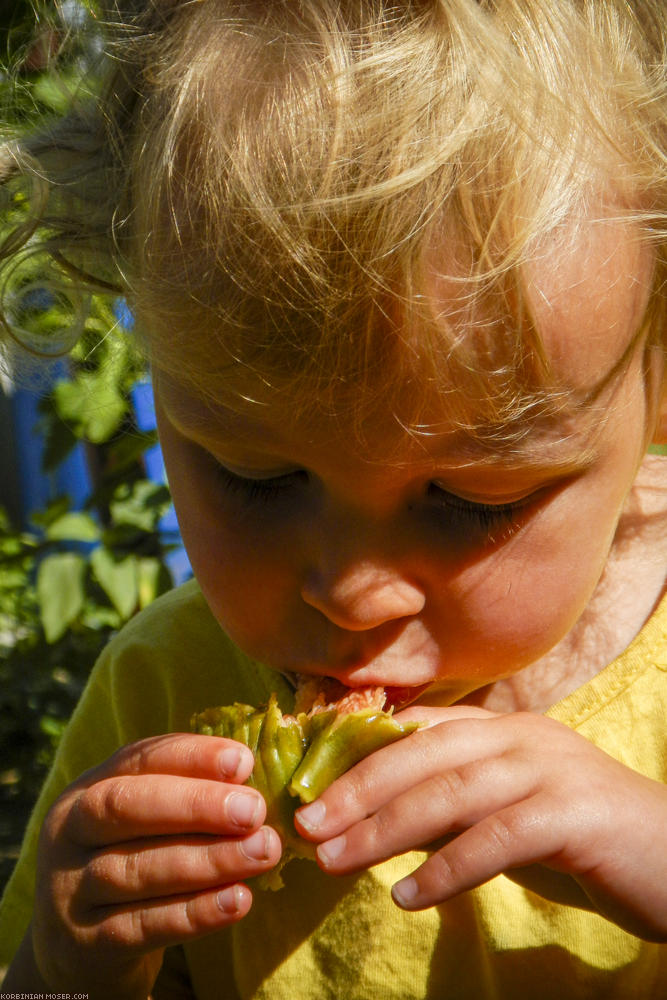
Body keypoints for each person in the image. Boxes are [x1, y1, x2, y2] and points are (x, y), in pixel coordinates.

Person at [0, 1, 666, 996]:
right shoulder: (159, 690)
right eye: (256, 476)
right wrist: (63, 964)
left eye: (473, 498)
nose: (353, 595)